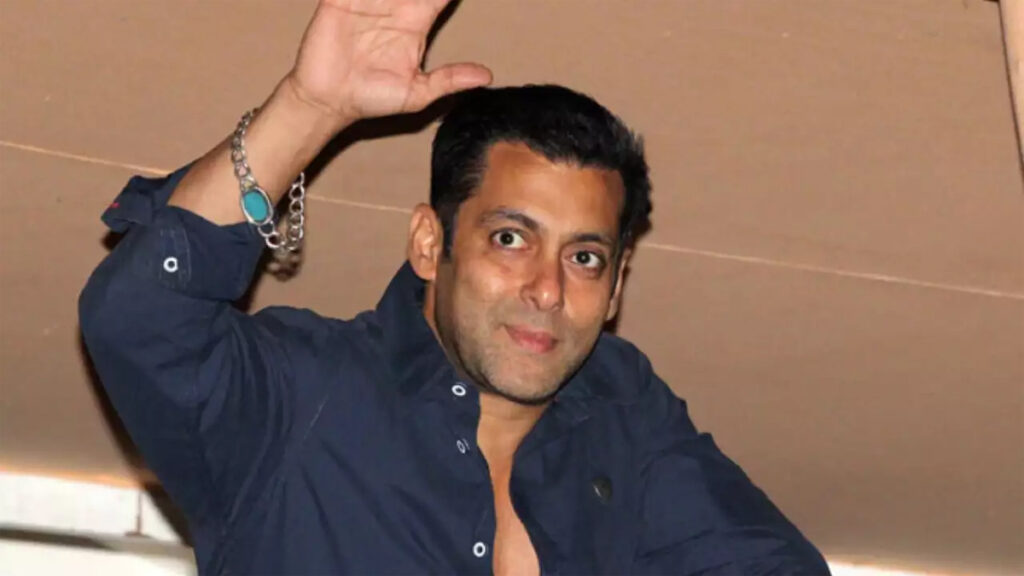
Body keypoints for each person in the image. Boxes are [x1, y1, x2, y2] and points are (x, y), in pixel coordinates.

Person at [79, 1, 829, 574]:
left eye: (584, 257)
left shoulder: (623, 414)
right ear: (430, 243)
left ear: (616, 285)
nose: (546, 289)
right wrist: (310, 109)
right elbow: (142, 316)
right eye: (511, 239)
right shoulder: (305, 397)